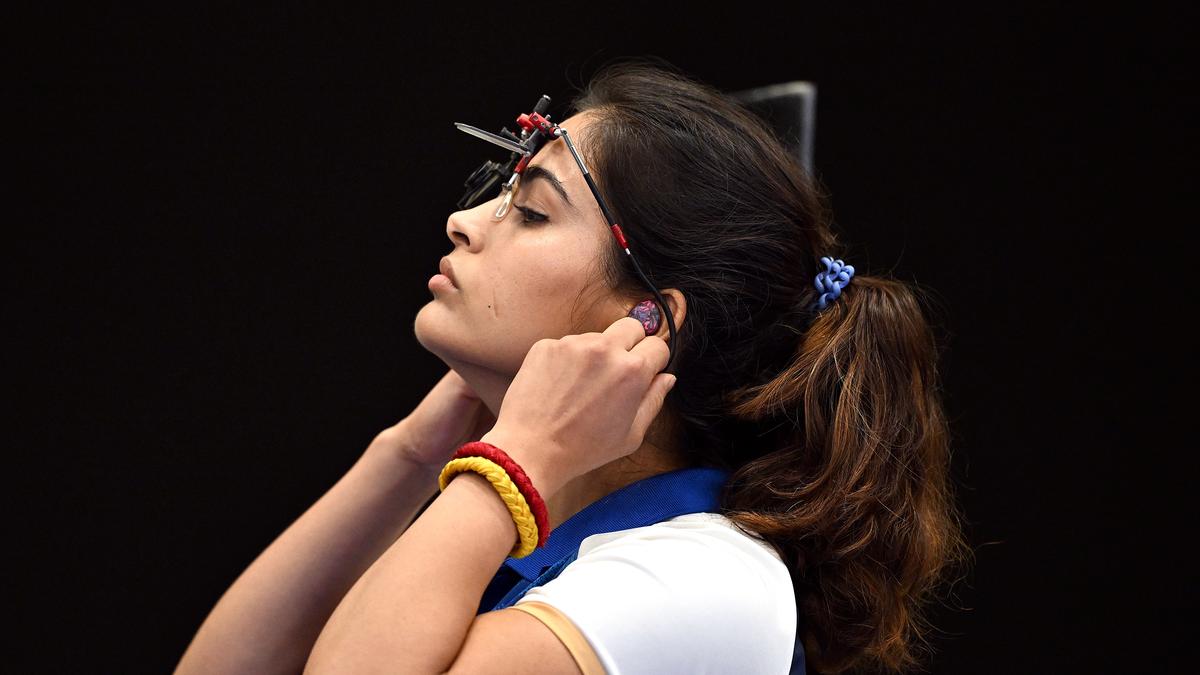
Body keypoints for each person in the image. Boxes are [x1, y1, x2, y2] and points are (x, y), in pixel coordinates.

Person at [176, 57, 972, 675]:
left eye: (530, 211)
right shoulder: (547, 540)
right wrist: (412, 454)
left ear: (647, 319)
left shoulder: (710, 576)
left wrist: (514, 456)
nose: (461, 221)